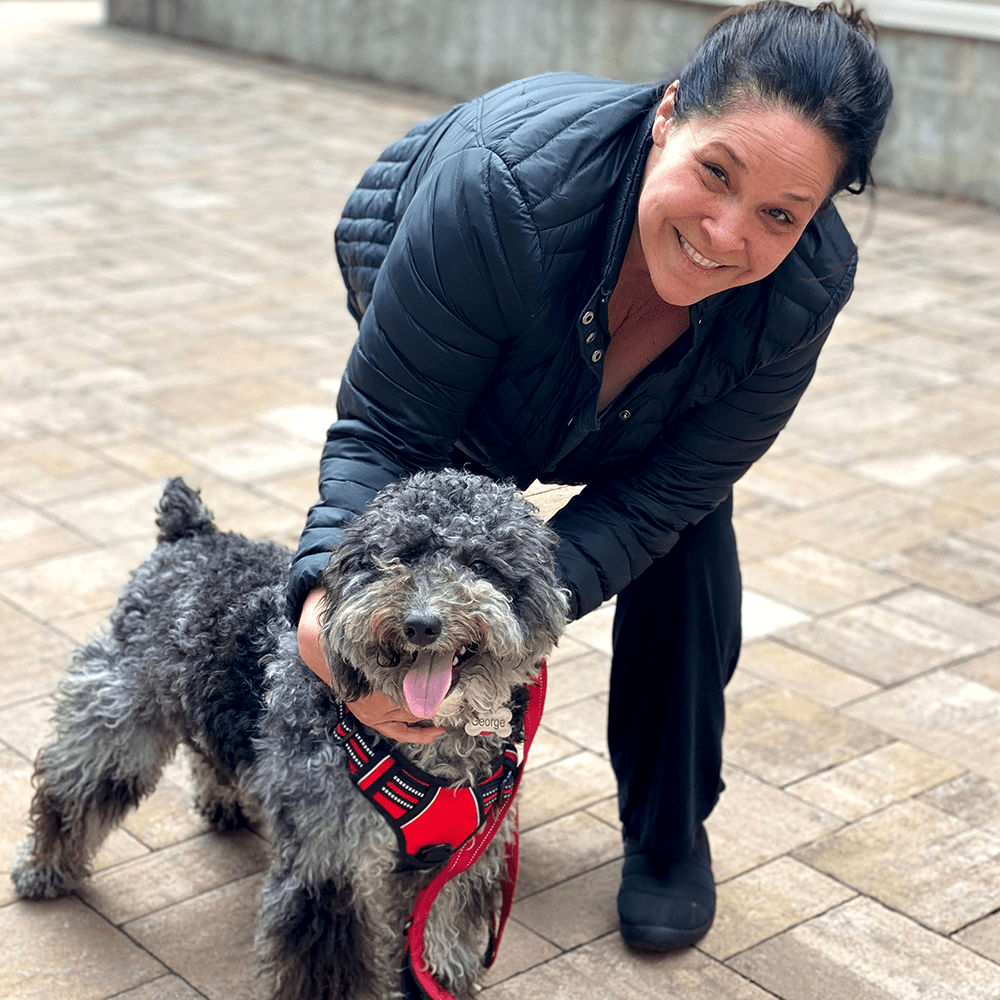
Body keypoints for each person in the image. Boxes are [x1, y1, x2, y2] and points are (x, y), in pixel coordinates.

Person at [293, 0, 893, 952]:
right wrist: (327, 607)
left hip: (637, 420)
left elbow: (660, 495)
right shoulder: (500, 190)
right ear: (667, 116)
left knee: (688, 540)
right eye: (713, 172)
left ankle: (668, 831)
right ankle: (368, 781)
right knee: (412, 568)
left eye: (780, 214)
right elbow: (384, 433)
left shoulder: (803, 290)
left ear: (816, 217)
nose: (727, 233)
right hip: (478, 361)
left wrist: (518, 619)